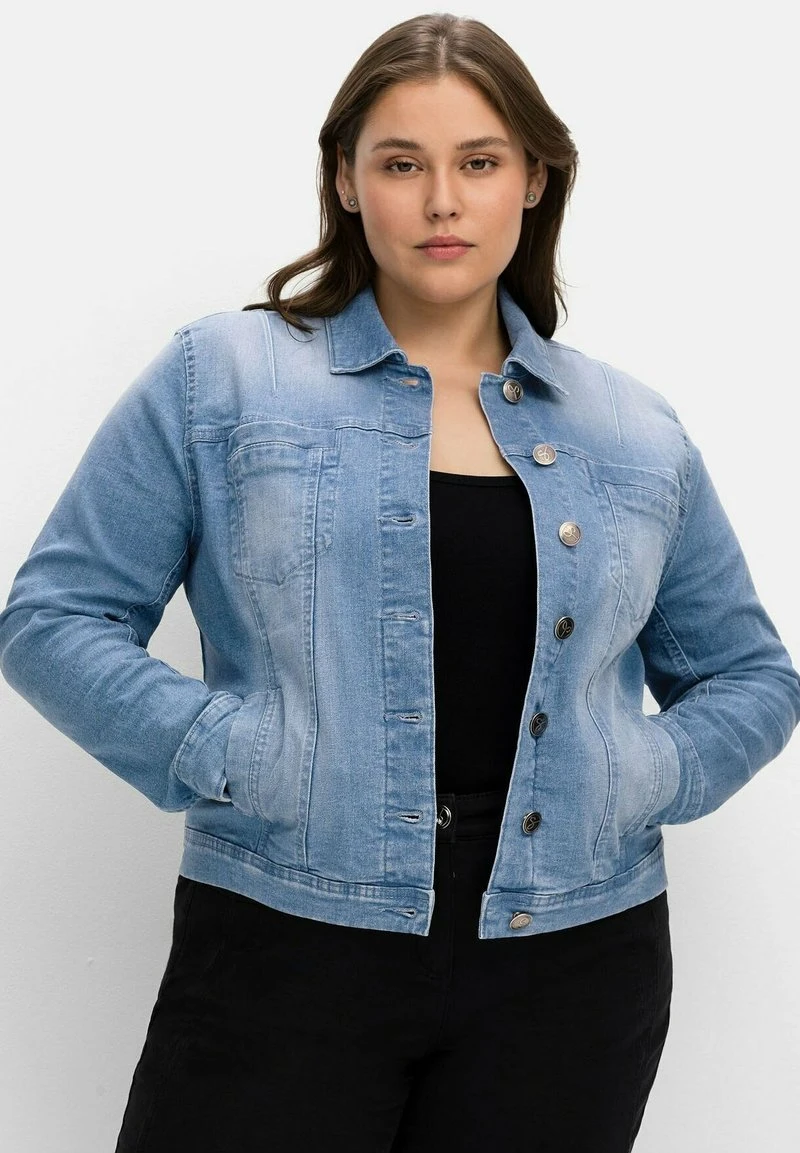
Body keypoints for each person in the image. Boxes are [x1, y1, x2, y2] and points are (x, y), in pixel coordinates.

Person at [1, 12, 798, 1153]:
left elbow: (749, 674)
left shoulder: (632, 429)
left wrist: (642, 770)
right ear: (346, 179)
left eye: (478, 162)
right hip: (285, 941)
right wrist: (236, 751)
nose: (441, 203)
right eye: (401, 164)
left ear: (533, 179)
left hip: (572, 968)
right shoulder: (222, 378)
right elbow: (53, 618)